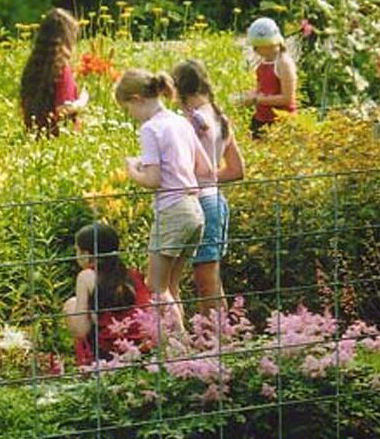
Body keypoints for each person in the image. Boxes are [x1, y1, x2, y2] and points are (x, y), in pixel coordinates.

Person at [115, 69, 214, 331]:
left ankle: (177, 350)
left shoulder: (150, 128)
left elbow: (154, 179)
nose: (131, 116)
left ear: (136, 99)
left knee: (156, 288)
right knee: (172, 287)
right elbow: (205, 169)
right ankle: (181, 348)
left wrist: (132, 170)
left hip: (171, 209)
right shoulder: (180, 121)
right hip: (194, 209)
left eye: (128, 109)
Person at [171, 59, 244, 314]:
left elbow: (181, 169)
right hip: (216, 201)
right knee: (212, 280)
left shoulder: (190, 121)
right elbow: (236, 170)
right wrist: (209, 178)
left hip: (198, 203)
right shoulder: (219, 116)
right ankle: (217, 338)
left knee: (206, 281)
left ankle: (215, 343)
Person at [63, 222, 152, 364]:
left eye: (77, 251)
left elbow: (82, 330)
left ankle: (88, 363)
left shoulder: (86, 276)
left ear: (86, 255)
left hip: (111, 350)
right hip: (144, 345)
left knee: (71, 305)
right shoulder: (132, 274)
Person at [19, 7, 84, 138]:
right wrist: (81, 103)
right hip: (59, 139)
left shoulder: (33, 67)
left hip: (33, 136)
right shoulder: (62, 70)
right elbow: (62, 109)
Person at [238, 17, 298, 138]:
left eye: (258, 46)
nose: (255, 50)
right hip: (261, 119)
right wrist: (247, 96)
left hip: (279, 122)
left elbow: (287, 98)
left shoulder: (284, 63)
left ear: (269, 44)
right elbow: (262, 90)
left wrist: (257, 100)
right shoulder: (263, 63)